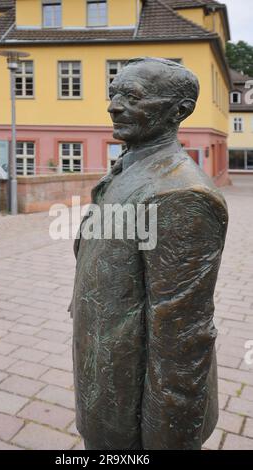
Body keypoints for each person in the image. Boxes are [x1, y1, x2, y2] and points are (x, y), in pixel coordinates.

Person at [70, 57, 228, 450]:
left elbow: (182, 342)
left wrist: (168, 441)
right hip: (106, 382)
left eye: (133, 96)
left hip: (133, 414)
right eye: (113, 94)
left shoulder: (180, 195)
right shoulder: (132, 166)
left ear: (180, 110)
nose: (113, 105)